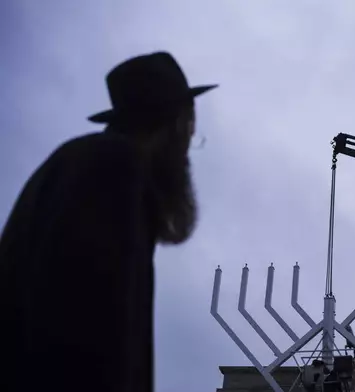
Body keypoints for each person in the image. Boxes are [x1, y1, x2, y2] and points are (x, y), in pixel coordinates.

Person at [0, 52, 217, 392]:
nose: (189, 145)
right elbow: (92, 333)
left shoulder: (79, 162)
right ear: (176, 125)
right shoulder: (113, 168)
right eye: (191, 129)